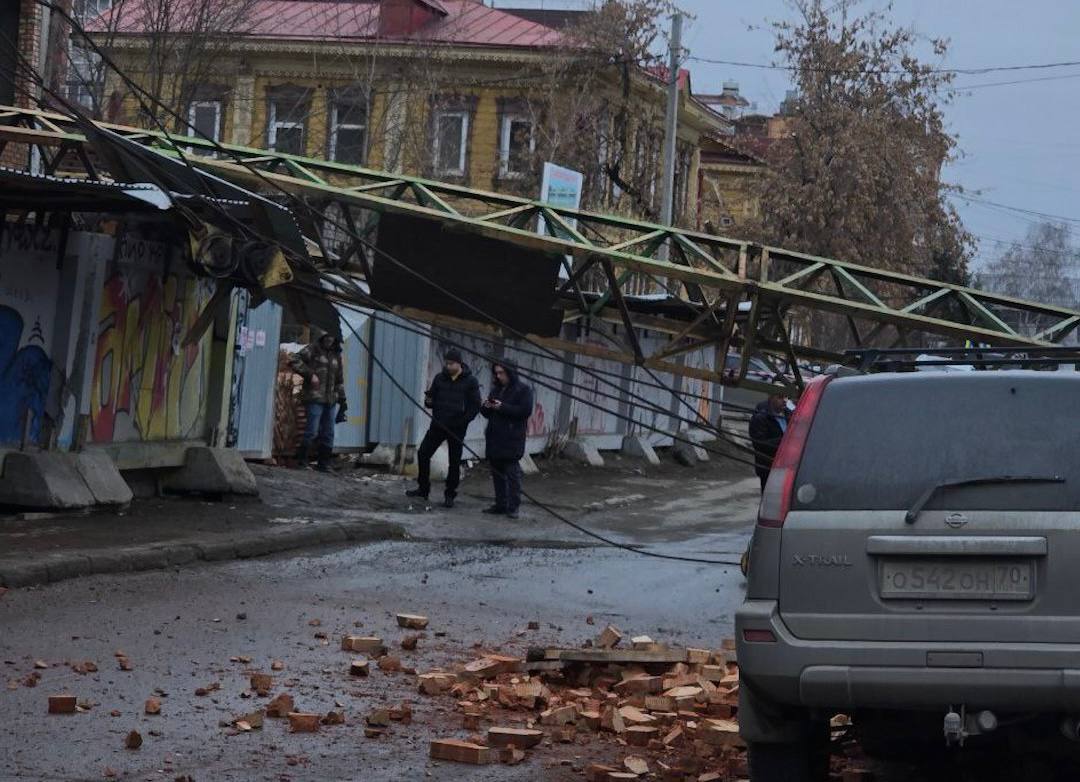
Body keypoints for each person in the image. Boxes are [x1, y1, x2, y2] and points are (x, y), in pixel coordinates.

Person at [406, 349, 481, 508]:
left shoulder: (470, 382)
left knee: (454, 462)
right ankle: (423, 488)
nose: (447, 366)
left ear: (459, 363)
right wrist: (429, 400)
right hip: (438, 425)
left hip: (457, 428)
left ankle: (450, 494)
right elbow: (430, 400)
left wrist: (463, 421)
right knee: (423, 453)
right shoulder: (440, 379)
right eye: (446, 363)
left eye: (451, 363)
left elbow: (475, 406)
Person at [480, 361, 534, 519]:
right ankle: (501, 504)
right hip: (494, 437)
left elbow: (524, 411)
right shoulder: (496, 390)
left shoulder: (523, 390)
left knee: (512, 473)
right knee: (497, 472)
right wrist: (486, 406)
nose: (498, 376)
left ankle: (513, 506)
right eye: (496, 373)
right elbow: (486, 413)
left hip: (511, 438)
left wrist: (501, 407)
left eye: (501, 373)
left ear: (510, 372)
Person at [291, 330, 347, 472]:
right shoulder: (314, 349)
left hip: (330, 400)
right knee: (312, 431)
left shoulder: (337, 354)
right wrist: (310, 375)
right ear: (322, 336)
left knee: (329, 433)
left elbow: (339, 380)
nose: (329, 339)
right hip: (315, 397)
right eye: (327, 336)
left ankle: (324, 464)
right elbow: (294, 359)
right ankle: (302, 461)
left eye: (332, 336)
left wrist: (343, 399)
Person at [748, 389, 791, 492]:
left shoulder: (789, 415)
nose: (785, 400)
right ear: (771, 398)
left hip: (787, 467)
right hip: (768, 468)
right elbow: (759, 444)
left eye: (787, 397)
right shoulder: (761, 417)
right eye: (780, 397)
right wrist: (786, 440)